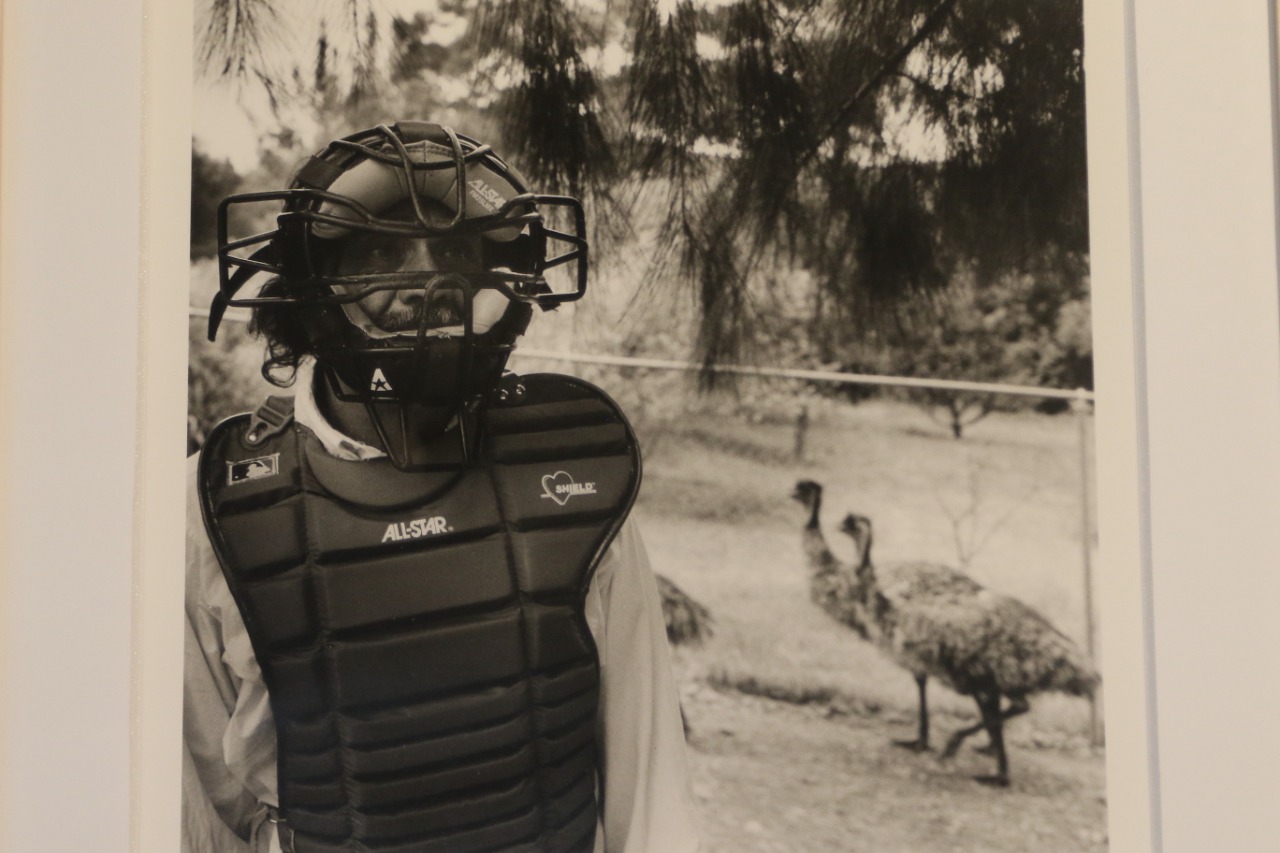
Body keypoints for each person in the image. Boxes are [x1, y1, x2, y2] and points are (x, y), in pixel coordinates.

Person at [184, 122, 699, 853]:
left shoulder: (572, 478)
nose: (427, 283)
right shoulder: (217, 507)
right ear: (314, 284)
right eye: (380, 251)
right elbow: (205, 797)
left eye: (457, 252)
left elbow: (652, 793)